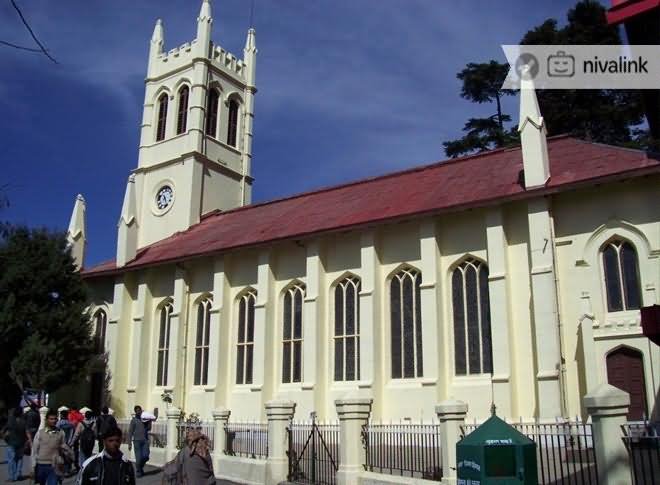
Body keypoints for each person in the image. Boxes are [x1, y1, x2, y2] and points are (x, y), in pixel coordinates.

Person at [32, 409, 65, 485]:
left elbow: (63, 449)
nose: (53, 421)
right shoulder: (40, 433)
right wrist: (33, 467)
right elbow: (34, 450)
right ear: (46, 420)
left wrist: (62, 466)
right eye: (51, 419)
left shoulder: (61, 433)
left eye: (55, 419)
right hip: (41, 465)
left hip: (54, 466)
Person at [2, 407, 29, 482]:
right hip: (21, 443)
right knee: (19, 459)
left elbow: (3, 431)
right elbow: (27, 432)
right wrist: (29, 441)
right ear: (21, 413)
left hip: (11, 443)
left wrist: (5, 438)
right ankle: (18, 475)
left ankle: (12, 477)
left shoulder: (10, 421)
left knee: (11, 460)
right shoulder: (24, 422)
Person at [128, 405, 151, 478]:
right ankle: (139, 471)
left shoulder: (145, 419)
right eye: (137, 410)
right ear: (135, 412)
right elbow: (130, 432)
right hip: (137, 442)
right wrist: (129, 443)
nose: (139, 411)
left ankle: (140, 468)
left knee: (146, 456)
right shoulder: (134, 420)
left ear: (141, 410)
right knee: (138, 459)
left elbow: (149, 428)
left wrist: (149, 421)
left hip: (145, 441)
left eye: (140, 410)